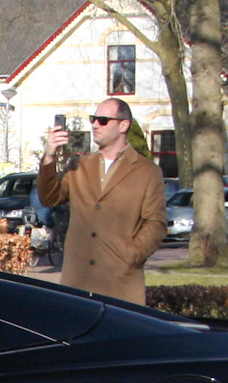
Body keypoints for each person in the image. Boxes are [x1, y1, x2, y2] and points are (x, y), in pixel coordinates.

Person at [36, 96, 167, 304]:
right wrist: (49, 157)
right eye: (93, 119)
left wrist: (131, 255)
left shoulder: (147, 171)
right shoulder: (78, 165)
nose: (95, 124)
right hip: (77, 282)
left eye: (103, 120)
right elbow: (49, 197)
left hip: (120, 284)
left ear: (123, 125)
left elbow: (156, 223)